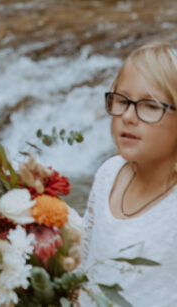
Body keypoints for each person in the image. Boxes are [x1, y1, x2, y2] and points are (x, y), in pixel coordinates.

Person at [80, 43, 177, 306]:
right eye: (122, 100)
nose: (128, 116)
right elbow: (83, 263)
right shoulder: (108, 174)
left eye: (149, 106)